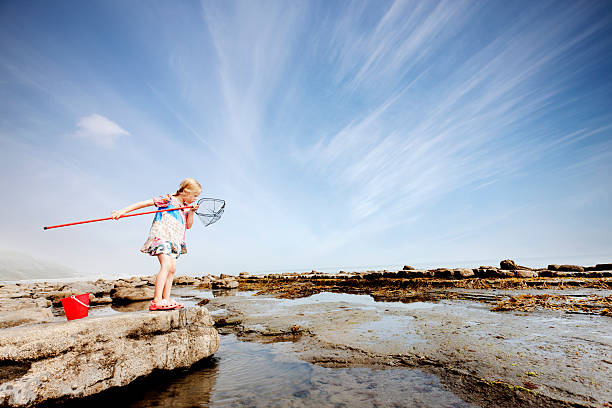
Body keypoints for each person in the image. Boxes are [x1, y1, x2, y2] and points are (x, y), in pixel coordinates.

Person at [112, 178, 201, 311]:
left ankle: (166, 299)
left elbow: (188, 225)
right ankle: (157, 300)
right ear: (185, 191)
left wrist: (192, 212)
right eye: (194, 195)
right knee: (166, 265)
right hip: (162, 236)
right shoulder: (168, 199)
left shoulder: (184, 208)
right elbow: (144, 203)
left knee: (172, 268)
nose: (195, 199)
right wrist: (122, 211)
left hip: (175, 240)